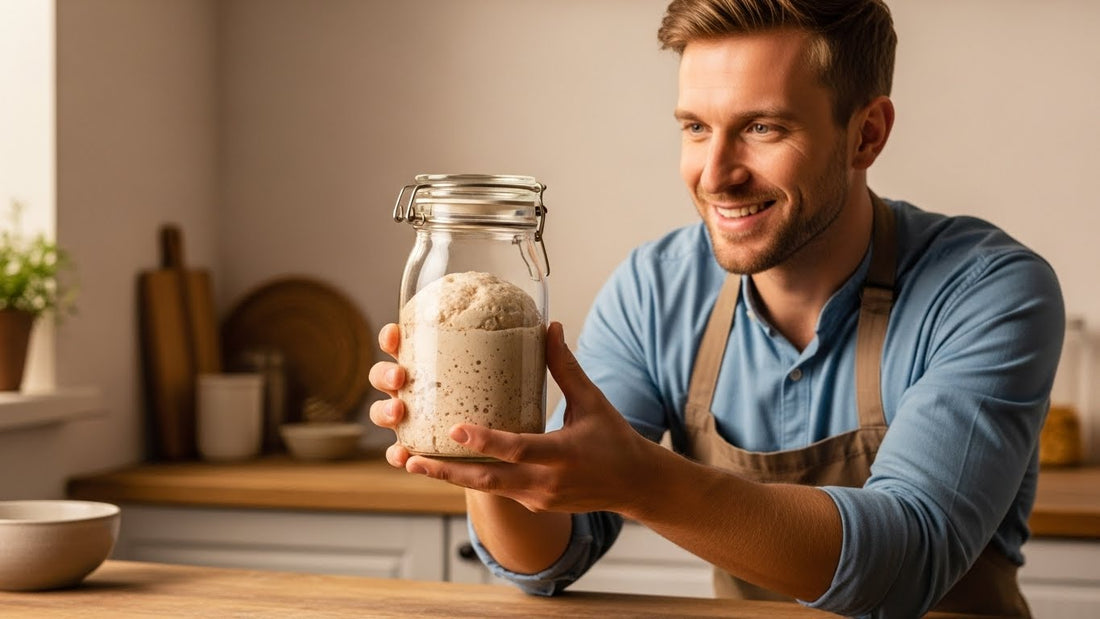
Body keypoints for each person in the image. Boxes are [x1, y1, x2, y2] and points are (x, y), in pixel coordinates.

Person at [369, 1, 1064, 616]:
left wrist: (643, 480)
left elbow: (906, 560)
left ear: (866, 134)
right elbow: (553, 556)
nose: (714, 173)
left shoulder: (990, 291)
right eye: (696, 127)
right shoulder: (655, 290)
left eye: (762, 127)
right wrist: (487, 452)